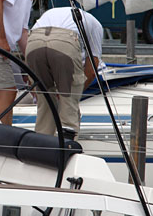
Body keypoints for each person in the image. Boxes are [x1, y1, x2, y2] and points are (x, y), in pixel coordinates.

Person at [26, 7, 103, 137]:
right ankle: (66, 147)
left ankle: (41, 146)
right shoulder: (96, 25)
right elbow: (92, 67)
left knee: (45, 101)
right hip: (65, 40)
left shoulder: (49, 12)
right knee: (68, 104)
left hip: (34, 39)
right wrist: (74, 92)